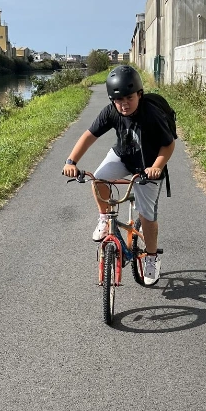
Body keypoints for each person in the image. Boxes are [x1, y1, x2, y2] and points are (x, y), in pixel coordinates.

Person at [62, 65, 175, 286]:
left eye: (129, 98)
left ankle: (151, 258)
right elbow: (89, 135)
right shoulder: (111, 111)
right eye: (118, 99)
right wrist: (71, 161)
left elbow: (168, 145)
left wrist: (157, 167)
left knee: (146, 215)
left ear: (139, 94)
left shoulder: (151, 114)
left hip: (148, 168)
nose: (124, 104)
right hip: (123, 156)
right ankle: (105, 218)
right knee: (98, 179)